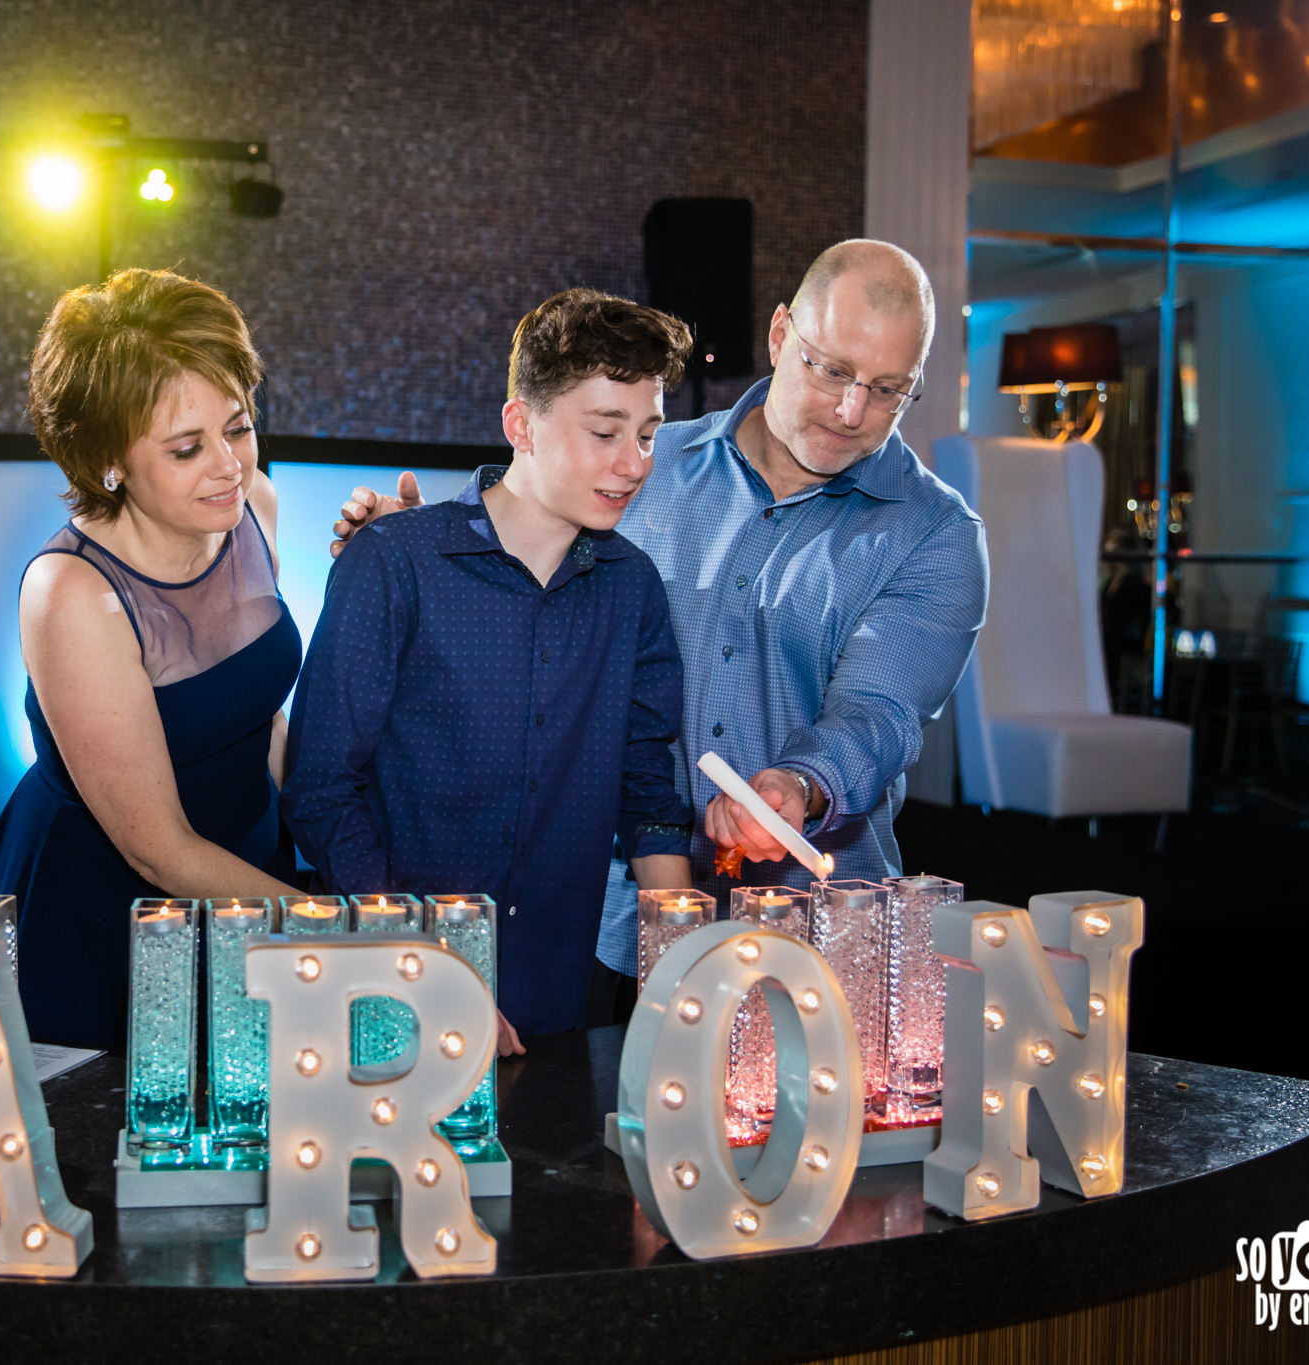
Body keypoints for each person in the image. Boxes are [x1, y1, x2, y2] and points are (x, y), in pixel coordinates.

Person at [332, 241, 989, 1010]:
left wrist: (800, 784)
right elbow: (518, 552)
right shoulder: (642, 465)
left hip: (817, 936)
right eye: (832, 370)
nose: (852, 411)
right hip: (609, 921)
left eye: (887, 390)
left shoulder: (937, 533)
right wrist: (416, 554)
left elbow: (879, 712)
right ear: (780, 336)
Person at [283, 288, 696, 1049]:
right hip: (392, 992)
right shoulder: (394, 563)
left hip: (557, 996)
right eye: (605, 432)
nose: (634, 462)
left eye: (647, 434)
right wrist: (424, 970)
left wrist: (684, 972)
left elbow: (648, 789)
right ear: (521, 425)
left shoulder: (632, 586)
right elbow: (320, 791)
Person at [0, 269, 303, 1048]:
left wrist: (320, 843)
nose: (229, 464)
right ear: (106, 460)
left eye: (239, 425)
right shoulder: (71, 592)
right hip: (103, 911)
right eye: (188, 447)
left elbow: (256, 714)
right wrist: (339, 927)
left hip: (244, 866)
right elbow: (157, 849)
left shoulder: (252, 505)